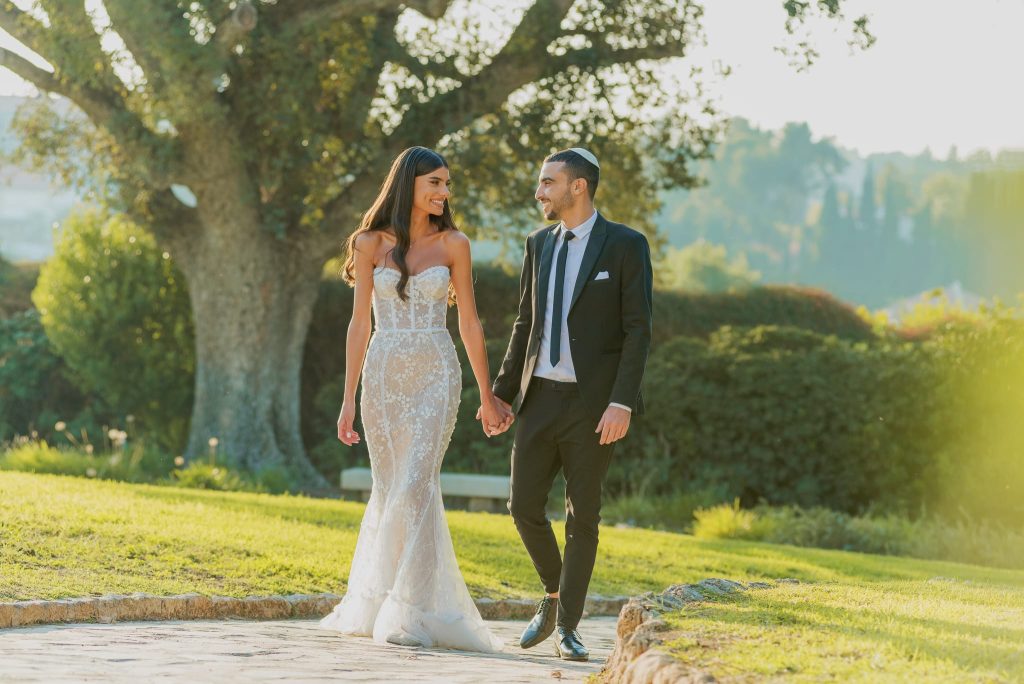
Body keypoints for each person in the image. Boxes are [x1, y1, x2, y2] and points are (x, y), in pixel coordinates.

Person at [320, 146, 507, 653]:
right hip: (382, 377)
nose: (444, 193)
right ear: (409, 184)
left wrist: (487, 395)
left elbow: (469, 322)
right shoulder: (368, 243)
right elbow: (360, 323)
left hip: (436, 373)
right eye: (436, 183)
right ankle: (379, 600)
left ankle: (411, 611)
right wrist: (347, 398)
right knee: (390, 486)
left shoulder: (455, 244)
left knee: (417, 483)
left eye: (447, 184)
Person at [486, 148, 653, 661]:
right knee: (523, 506)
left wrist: (621, 401)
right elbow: (523, 324)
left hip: (593, 405)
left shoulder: (625, 245)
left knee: (583, 516)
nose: (540, 192)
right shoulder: (538, 245)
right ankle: (554, 595)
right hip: (539, 398)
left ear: (577, 187)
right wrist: (500, 393)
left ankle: (569, 628)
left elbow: (637, 329)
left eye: (547, 182)